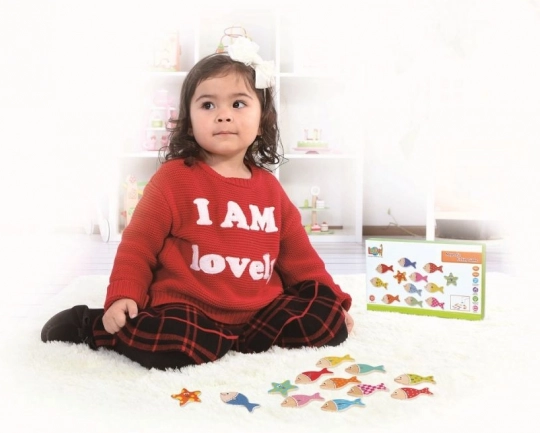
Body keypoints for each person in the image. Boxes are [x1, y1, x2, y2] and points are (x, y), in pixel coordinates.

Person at [41, 37, 354, 370]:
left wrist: (334, 302)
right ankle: (98, 328)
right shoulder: (173, 179)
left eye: (238, 104)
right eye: (208, 105)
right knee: (169, 341)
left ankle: (234, 342)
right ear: (188, 123)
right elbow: (138, 246)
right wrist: (123, 295)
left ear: (263, 119)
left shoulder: (270, 189)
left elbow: (301, 258)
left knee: (325, 319)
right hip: (188, 309)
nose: (223, 116)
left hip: (259, 314)